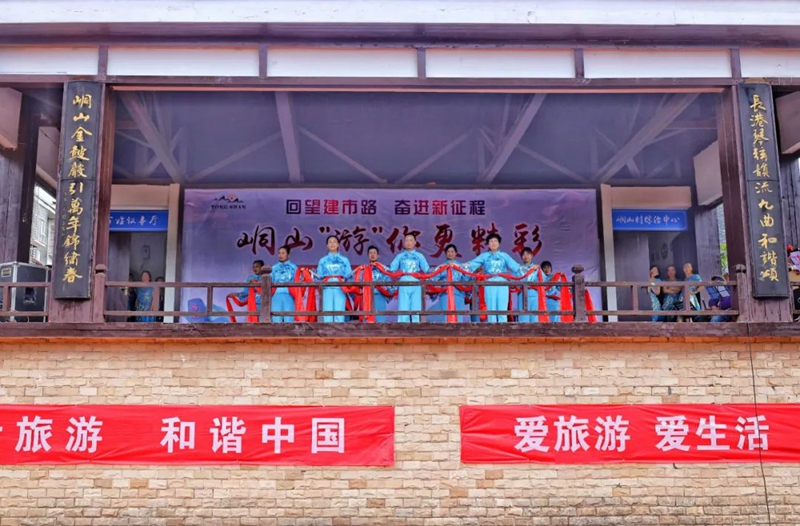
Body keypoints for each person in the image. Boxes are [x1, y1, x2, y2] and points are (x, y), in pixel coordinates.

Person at [464, 233, 520, 323]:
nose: (493, 243)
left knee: (502, 309)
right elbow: (471, 264)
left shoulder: (504, 255)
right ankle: (492, 328)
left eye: (495, 241)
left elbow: (516, 267)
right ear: (488, 244)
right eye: (491, 241)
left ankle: (503, 328)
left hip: (502, 283)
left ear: (499, 243)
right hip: (489, 284)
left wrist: (530, 269)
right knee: (491, 309)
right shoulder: (484, 256)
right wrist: (458, 266)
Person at [389, 233, 430, 323]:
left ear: (415, 242)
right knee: (403, 306)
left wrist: (440, 269)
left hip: (416, 283)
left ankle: (416, 325)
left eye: (411, 240)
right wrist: (380, 267)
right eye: (406, 240)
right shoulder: (400, 256)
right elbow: (391, 269)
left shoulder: (419, 256)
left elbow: (427, 270)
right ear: (404, 243)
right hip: (403, 282)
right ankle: (403, 326)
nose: (408, 242)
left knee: (416, 306)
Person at [316, 235, 352, 323]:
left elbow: (349, 275)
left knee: (339, 312)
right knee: (327, 313)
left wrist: (346, 285)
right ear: (327, 245)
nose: (332, 244)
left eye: (334, 242)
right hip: (327, 287)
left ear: (338, 244)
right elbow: (319, 276)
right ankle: (327, 331)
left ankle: (339, 331)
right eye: (330, 242)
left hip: (340, 287)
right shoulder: (322, 260)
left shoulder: (344, 260)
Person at [430, 244, 470, 323]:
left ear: (456, 253)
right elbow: (432, 277)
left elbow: (467, 278)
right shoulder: (442, 266)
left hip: (458, 293)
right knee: (445, 316)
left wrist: (461, 267)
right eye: (448, 251)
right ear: (445, 253)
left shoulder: (461, 266)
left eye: (452, 251)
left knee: (458, 315)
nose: (450, 253)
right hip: (445, 293)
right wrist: (438, 268)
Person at [360, 245, 396, 322]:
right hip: (367, 296)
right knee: (367, 318)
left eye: (374, 253)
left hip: (380, 296)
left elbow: (389, 283)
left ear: (378, 255)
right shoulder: (363, 269)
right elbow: (358, 283)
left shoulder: (383, 268)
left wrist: (386, 291)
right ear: (368, 255)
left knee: (380, 318)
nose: (372, 255)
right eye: (370, 253)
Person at [271, 246, 298, 323]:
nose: (280, 255)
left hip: (289, 294)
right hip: (276, 294)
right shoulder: (274, 268)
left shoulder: (294, 267)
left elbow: (297, 281)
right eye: (279, 253)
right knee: (276, 319)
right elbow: (270, 281)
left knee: (289, 318)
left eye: (283, 253)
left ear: (288, 255)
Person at [516, 247, 540, 323]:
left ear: (532, 255)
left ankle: (535, 330)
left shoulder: (537, 268)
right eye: (523, 254)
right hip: (522, 293)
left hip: (534, 293)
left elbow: (543, 280)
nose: (526, 256)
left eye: (528, 254)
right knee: (523, 316)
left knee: (534, 315)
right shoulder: (518, 268)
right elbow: (515, 280)